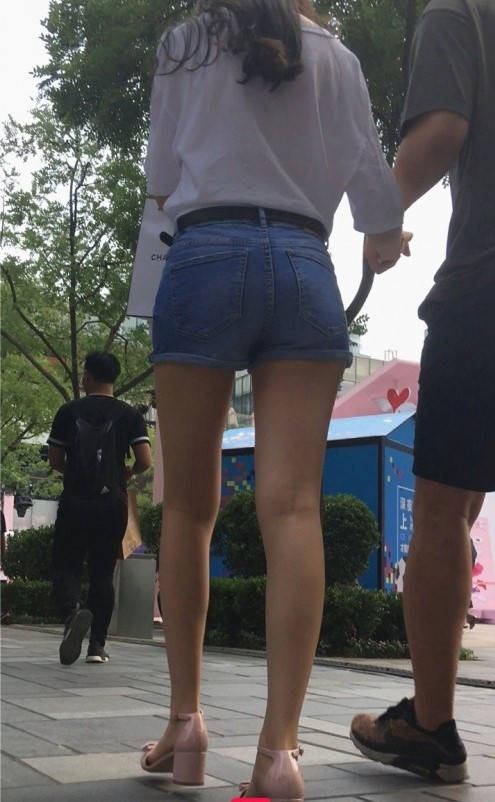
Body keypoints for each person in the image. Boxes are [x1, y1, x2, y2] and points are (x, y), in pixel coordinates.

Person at [140, 1, 407, 798]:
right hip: (301, 261)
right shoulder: (338, 60)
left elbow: (160, 182)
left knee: (189, 509)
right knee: (292, 507)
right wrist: (384, 238)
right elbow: (375, 197)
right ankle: (278, 756)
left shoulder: (185, 42)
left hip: (203, 253)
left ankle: (186, 725)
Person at [351, 0, 495, 785]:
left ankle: (431, 726)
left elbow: (439, 130)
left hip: (485, 291)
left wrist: (377, 217)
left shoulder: (456, 9)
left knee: (441, 510)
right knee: (462, 506)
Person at [48, 351, 151, 666]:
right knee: (103, 572)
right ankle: (96, 646)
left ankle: (72, 613)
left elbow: (55, 459)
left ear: (87, 377)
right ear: (114, 378)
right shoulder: (129, 415)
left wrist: (76, 474)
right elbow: (145, 460)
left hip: (75, 501)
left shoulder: (68, 411)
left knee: (65, 564)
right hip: (111, 504)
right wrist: (126, 474)